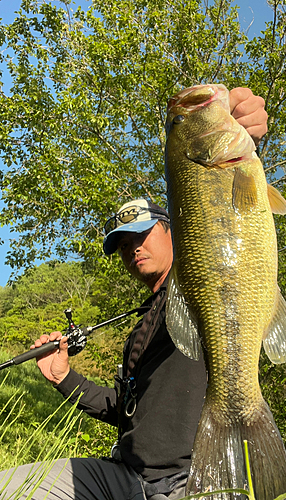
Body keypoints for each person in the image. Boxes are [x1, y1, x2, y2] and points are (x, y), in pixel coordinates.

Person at [0, 88, 268, 500]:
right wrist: (62, 376)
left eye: (140, 236)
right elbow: (126, 412)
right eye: (123, 245)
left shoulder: (193, 293)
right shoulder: (141, 327)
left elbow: (230, 231)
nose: (132, 249)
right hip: (123, 475)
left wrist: (241, 127)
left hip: (187, 483)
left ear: (173, 226)